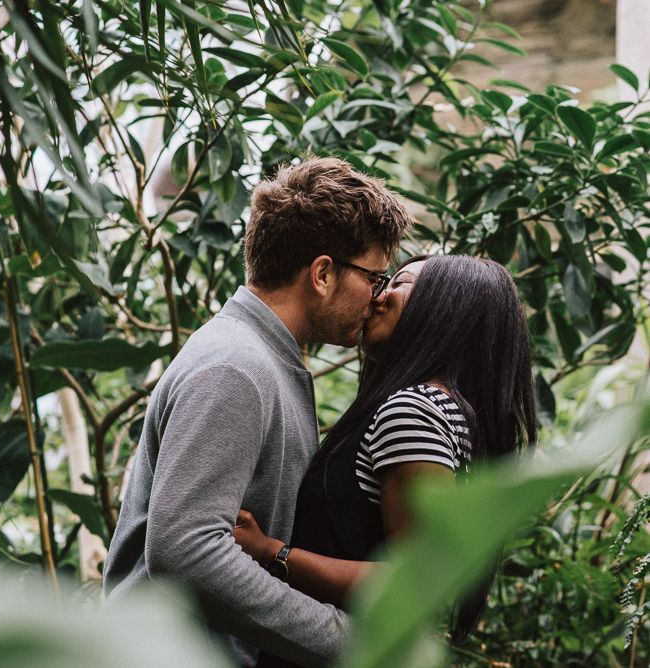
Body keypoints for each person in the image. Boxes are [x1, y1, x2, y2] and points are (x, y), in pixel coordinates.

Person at [102, 157, 415, 667]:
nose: (377, 297)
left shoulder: (261, 359)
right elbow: (186, 550)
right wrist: (346, 640)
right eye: (375, 278)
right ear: (322, 273)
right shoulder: (236, 367)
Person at [234, 254, 538, 665]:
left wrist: (270, 551)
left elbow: (415, 582)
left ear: (445, 309)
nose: (378, 296)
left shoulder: (413, 411)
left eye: (399, 283)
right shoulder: (446, 412)